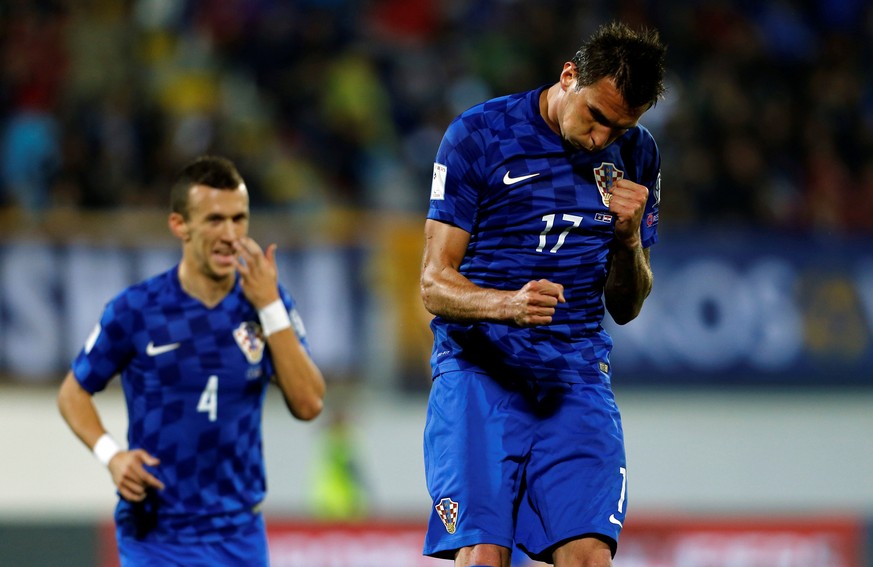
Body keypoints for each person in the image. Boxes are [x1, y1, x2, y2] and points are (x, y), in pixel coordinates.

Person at [419, 22, 666, 567]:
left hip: (574, 376)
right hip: (480, 370)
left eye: (620, 127)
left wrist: (628, 241)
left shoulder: (639, 155)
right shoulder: (480, 136)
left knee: (589, 557)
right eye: (596, 116)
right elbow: (434, 283)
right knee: (484, 553)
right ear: (569, 76)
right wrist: (507, 305)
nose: (603, 137)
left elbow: (626, 307)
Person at [57, 155, 326, 566]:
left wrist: (270, 306)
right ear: (179, 225)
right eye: (215, 220)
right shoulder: (137, 309)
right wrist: (111, 454)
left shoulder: (266, 303)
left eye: (240, 219)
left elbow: (309, 404)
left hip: (239, 534)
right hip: (157, 534)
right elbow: (73, 393)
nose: (231, 235)